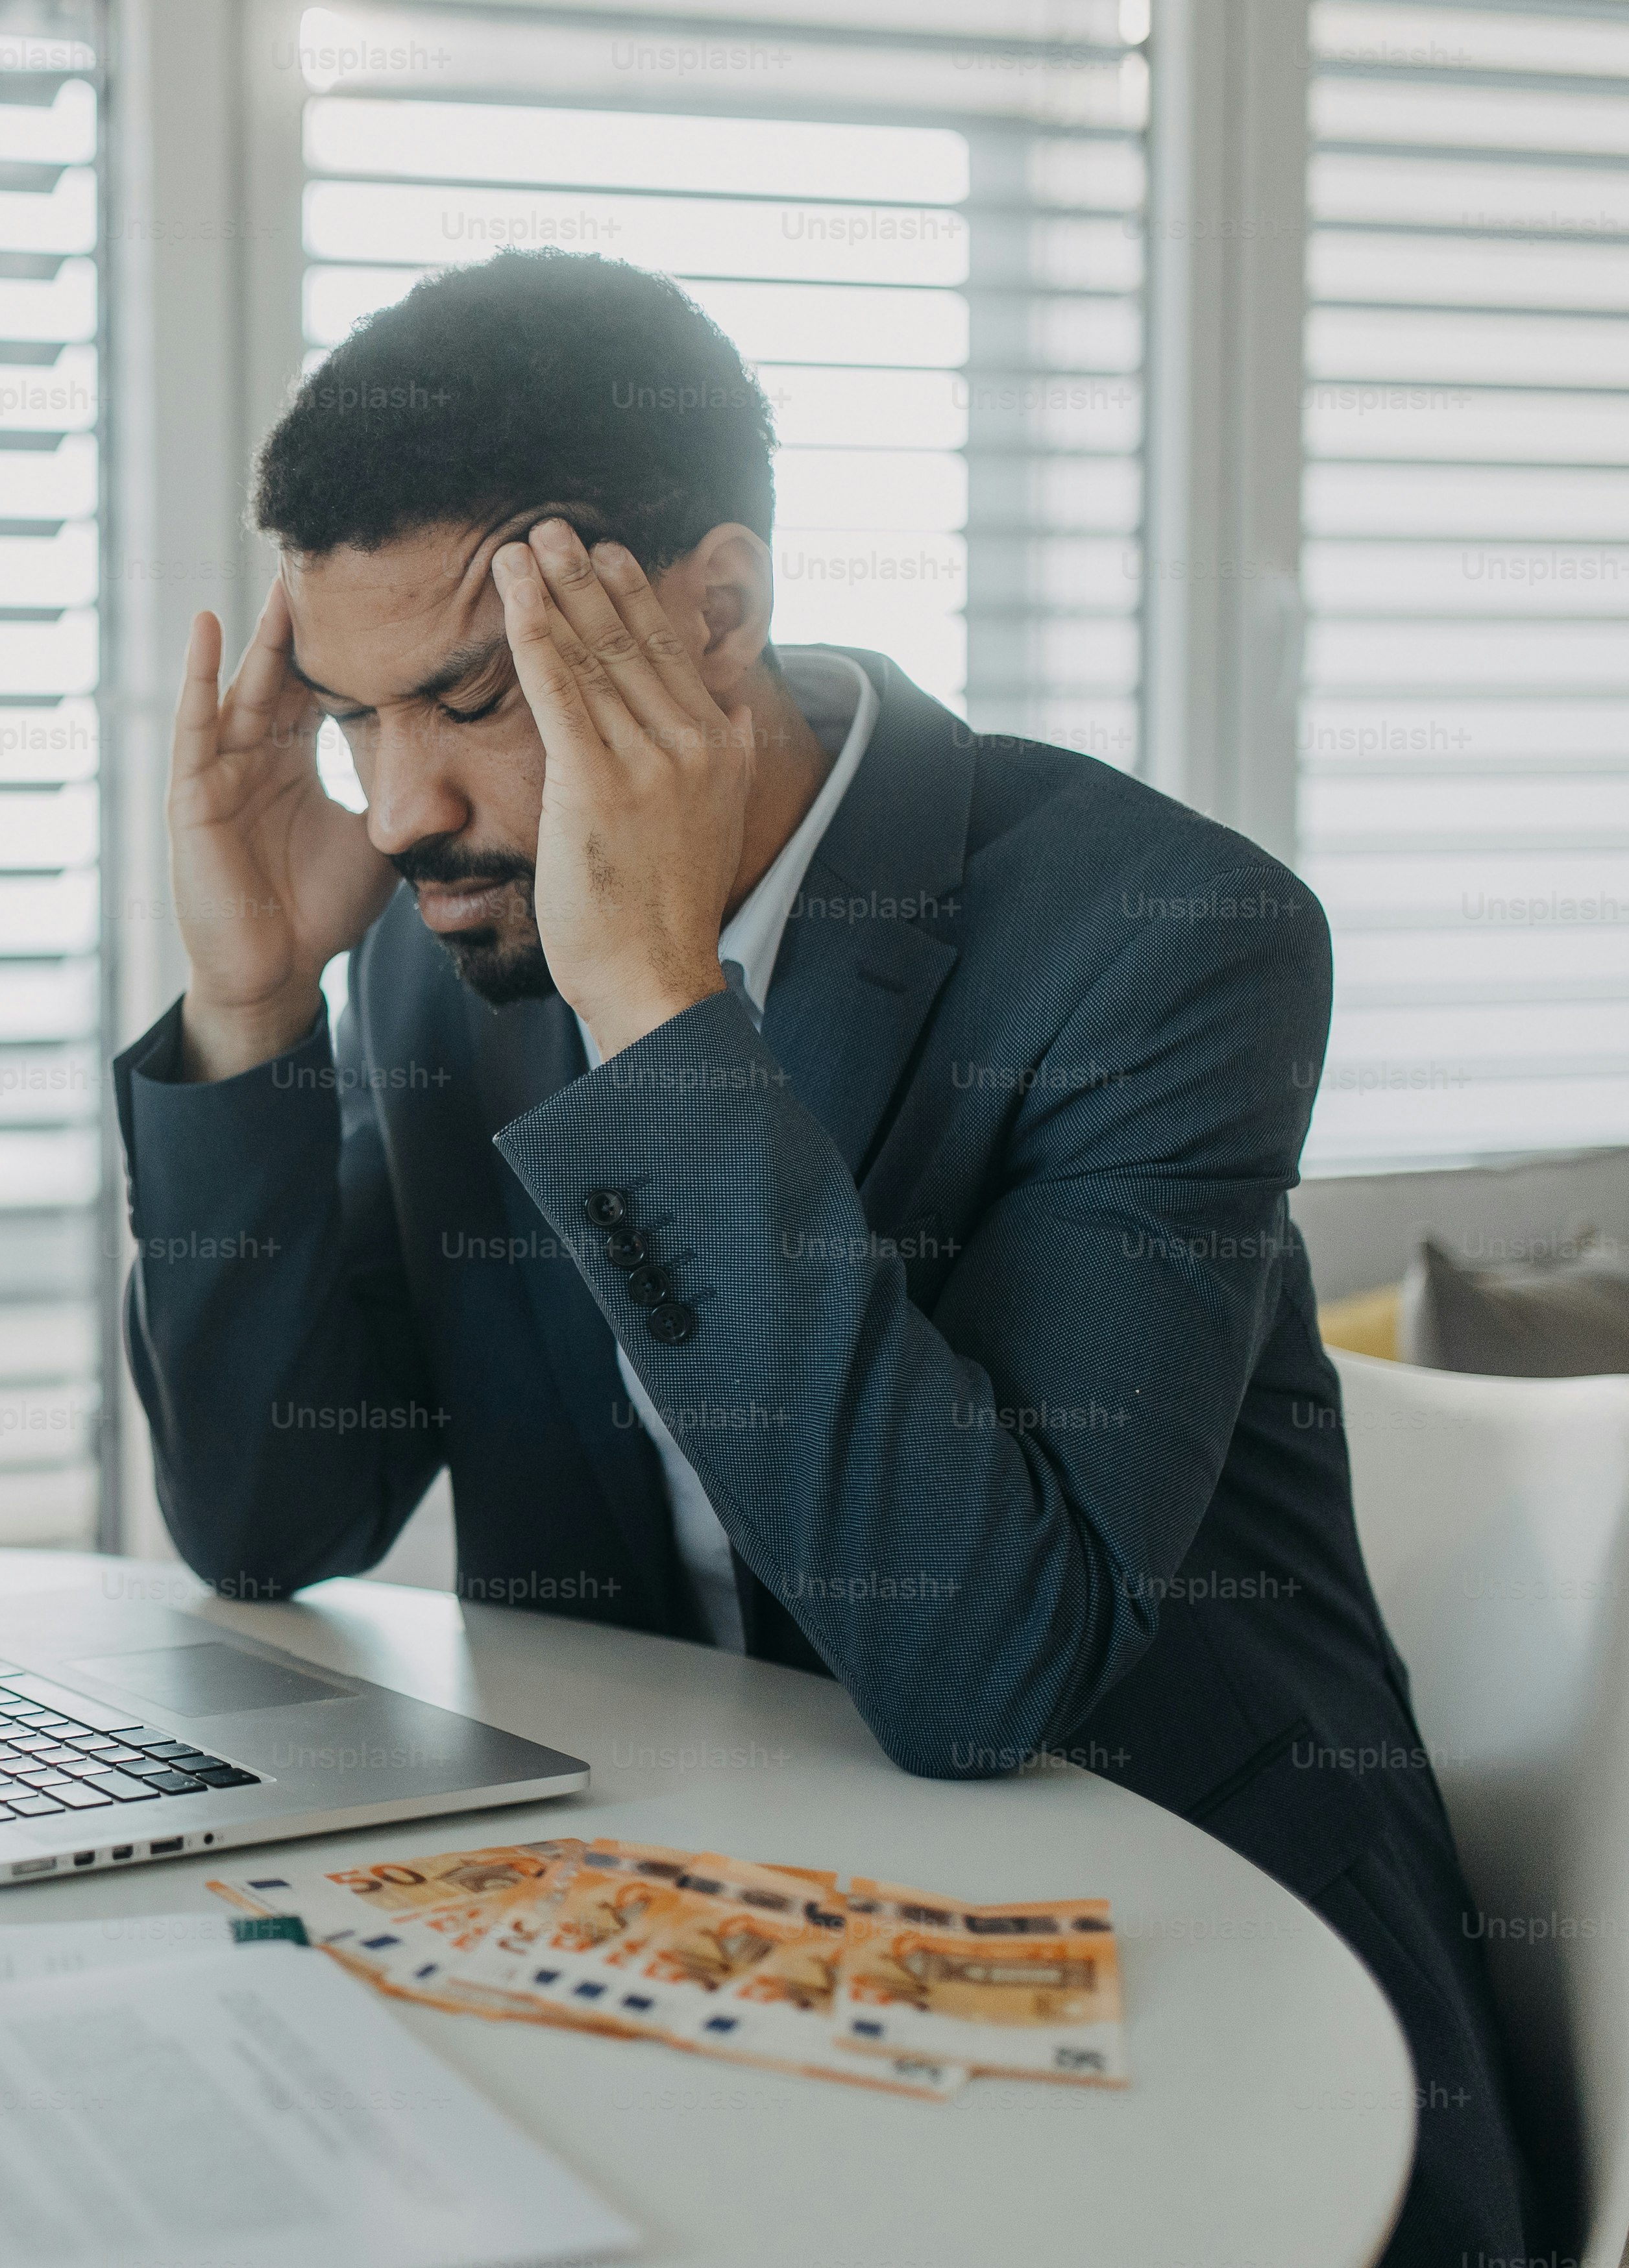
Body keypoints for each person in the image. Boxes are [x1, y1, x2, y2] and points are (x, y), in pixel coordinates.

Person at [114, 249, 1534, 2263]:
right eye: (351, 722)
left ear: (713, 613)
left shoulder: (1164, 940)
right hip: (702, 1973)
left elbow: (981, 1674)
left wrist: (656, 1013)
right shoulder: (450, 945)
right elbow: (272, 1516)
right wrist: (251, 1004)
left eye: (470, 698)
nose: (400, 805)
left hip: (1200, 2011)